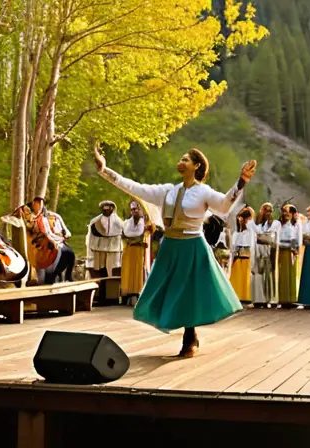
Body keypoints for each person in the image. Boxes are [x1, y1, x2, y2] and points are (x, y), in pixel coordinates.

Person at [94, 146, 256, 357]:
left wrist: (241, 181)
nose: (181, 161)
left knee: (189, 291)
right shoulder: (168, 191)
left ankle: (189, 336)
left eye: (186, 159)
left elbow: (224, 206)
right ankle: (187, 333)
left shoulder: (204, 192)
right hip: (170, 246)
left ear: (196, 166)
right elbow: (135, 188)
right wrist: (105, 170)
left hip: (192, 246)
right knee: (168, 289)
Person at [12, 197, 75, 285]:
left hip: (55, 241)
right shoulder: (30, 218)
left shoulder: (54, 216)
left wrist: (63, 235)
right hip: (38, 245)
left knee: (69, 252)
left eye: (40, 204)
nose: (38, 206)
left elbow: (65, 231)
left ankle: (68, 276)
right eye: (36, 204)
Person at [120, 200, 155, 304]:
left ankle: (140, 294)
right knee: (128, 272)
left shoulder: (148, 223)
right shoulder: (126, 223)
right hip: (129, 252)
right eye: (132, 209)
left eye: (137, 209)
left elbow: (152, 232)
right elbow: (124, 237)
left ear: (142, 210)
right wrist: (136, 242)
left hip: (141, 253)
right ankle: (128, 295)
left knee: (140, 272)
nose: (134, 211)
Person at [86, 201, 124, 278]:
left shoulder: (118, 222)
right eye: (104, 209)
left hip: (113, 250)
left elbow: (123, 233)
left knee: (113, 269)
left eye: (108, 208)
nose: (106, 210)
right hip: (99, 249)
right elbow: (90, 238)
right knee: (99, 270)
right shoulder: (95, 221)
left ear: (112, 209)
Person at [252, 203, 280, 308]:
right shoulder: (258, 224)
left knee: (270, 275)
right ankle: (260, 299)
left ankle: (271, 299)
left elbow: (273, 237)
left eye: (270, 211)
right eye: (265, 210)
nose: (268, 213)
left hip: (269, 250)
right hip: (258, 251)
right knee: (259, 275)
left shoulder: (275, 223)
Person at [229, 205, 257, 304]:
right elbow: (233, 247)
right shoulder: (236, 233)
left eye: (242, 219)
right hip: (237, 259)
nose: (240, 221)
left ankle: (246, 296)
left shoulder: (250, 233)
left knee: (245, 278)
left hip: (246, 258)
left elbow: (252, 246)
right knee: (236, 278)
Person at [276, 204, 301, 308]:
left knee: (291, 274)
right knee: (283, 275)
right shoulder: (279, 225)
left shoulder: (295, 225)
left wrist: (295, 249)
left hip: (291, 251)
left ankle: (291, 298)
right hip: (283, 250)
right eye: (284, 211)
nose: (286, 213)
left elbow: (297, 238)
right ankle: (283, 299)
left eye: (288, 211)